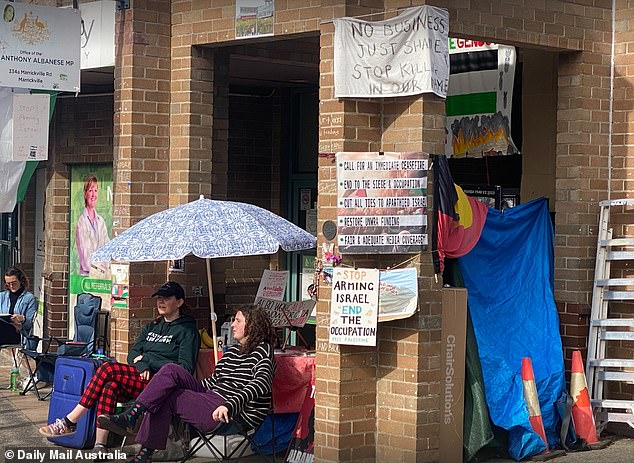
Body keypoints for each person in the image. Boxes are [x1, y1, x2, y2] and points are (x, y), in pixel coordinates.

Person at [39, 281, 199, 460]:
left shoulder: (187, 330)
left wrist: (147, 359)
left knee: (108, 368)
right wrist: (141, 364)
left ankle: (70, 421)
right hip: (141, 377)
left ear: (179, 302)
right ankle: (100, 446)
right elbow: (133, 354)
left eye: (166, 298)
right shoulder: (152, 326)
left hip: (161, 385)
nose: (161, 302)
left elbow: (184, 369)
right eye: (159, 298)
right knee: (110, 386)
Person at [98, 304, 275, 463]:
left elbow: (261, 383)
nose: (232, 325)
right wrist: (186, 386)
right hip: (212, 397)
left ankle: (142, 448)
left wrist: (230, 405)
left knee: (168, 397)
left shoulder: (263, 352)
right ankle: (133, 416)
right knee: (171, 370)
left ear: (251, 326)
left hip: (233, 413)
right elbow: (212, 382)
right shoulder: (231, 352)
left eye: (237, 321)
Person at [76, 174, 110, 277]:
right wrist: (102, 267)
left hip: (102, 276)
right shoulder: (81, 222)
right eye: (90, 191)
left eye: (95, 191)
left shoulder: (101, 221)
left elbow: (107, 248)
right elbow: (86, 259)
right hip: (87, 278)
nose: (93, 195)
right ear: (85, 194)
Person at [0, 266, 37, 349]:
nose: (11, 286)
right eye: (8, 284)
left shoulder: (29, 298)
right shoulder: (2, 296)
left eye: (14, 283)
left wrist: (22, 319)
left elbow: (30, 324)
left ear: (20, 281)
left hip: (18, 334)